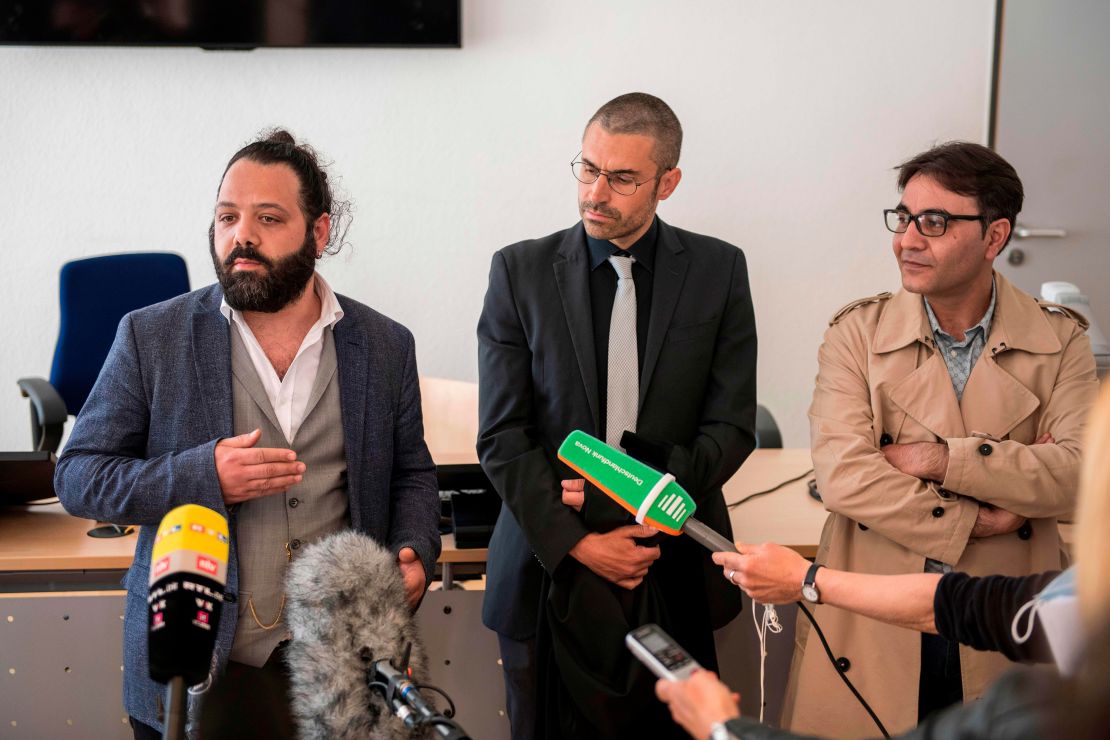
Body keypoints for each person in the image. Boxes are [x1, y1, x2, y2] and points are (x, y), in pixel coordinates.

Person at [54, 130, 442, 739]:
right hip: (198, 665)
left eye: (267, 217)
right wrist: (202, 476)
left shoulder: (385, 344)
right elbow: (78, 476)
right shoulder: (150, 337)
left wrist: (415, 548)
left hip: (343, 666)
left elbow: (412, 473)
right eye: (227, 217)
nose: (242, 236)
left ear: (318, 231)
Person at [781, 142, 1099, 735]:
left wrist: (931, 458)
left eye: (934, 222)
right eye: (903, 218)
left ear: (995, 235)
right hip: (872, 602)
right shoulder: (857, 333)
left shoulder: (1061, 341)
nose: (907, 239)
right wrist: (988, 512)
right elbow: (844, 477)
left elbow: (1080, 474)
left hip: (1002, 607)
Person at [477, 92, 757, 739]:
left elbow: (731, 425)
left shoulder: (719, 271)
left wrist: (647, 499)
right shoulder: (518, 272)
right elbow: (503, 435)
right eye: (587, 168)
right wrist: (579, 538)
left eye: (622, 178)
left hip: (675, 560)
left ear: (669, 182)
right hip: (550, 563)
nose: (595, 192)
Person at [655, 382, 1110, 740]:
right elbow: (962, 602)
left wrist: (724, 729)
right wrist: (808, 578)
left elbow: (1060, 479)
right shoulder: (1075, 610)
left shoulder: (1049, 711)